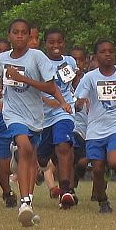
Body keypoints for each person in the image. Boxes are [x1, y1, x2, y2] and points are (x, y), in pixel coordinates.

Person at [0, 19, 72, 227]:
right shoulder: (1, 59)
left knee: (29, 156)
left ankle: (28, 200)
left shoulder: (37, 57)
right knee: (25, 147)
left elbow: (49, 87)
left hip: (35, 116)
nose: (19, 36)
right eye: (15, 32)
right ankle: (24, 202)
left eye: (23, 33)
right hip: (12, 113)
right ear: (9, 35)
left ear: (29, 36)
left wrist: (23, 78)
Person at [73, 40, 116, 213]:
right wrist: (78, 104)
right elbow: (79, 98)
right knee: (97, 170)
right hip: (95, 129)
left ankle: (103, 160)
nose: (107, 54)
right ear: (96, 56)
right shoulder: (90, 77)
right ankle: (102, 200)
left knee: (115, 162)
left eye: (111, 51)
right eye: (103, 52)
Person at [37, 29, 81, 208]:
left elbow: (72, 81)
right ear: (45, 44)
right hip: (43, 115)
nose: (56, 46)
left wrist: (78, 98)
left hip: (65, 111)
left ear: (64, 43)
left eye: (59, 42)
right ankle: (50, 168)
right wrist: (48, 100)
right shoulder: (39, 62)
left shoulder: (69, 61)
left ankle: (66, 191)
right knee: (43, 157)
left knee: (63, 146)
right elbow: (34, 89)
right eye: (51, 42)